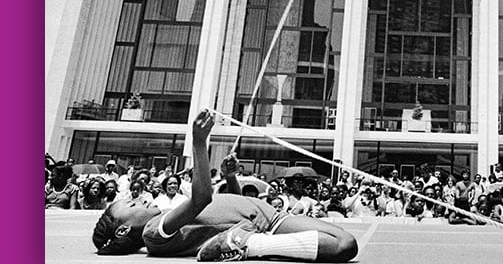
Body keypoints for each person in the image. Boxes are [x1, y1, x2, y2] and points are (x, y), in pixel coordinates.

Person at [91, 110, 357, 261]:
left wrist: (230, 179)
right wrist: (198, 142)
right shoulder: (153, 233)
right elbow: (202, 199)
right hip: (264, 224)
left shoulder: (161, 220)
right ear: (124, 229)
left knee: (345, 242)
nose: (140, 200)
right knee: (344, 245)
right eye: (131, 204)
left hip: (263, 216)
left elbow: (226, 209)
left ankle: (247, 242)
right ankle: (252, 246)